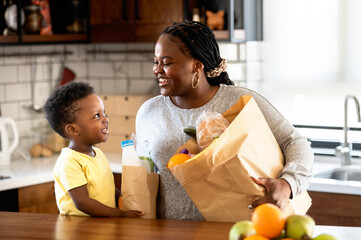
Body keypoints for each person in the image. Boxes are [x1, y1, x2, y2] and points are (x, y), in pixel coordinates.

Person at [135, 21, 314, 220]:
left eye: (166, 63)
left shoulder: (240, 101)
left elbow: (295, 143)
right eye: (155, 62)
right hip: (168, 233)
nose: (157, 70)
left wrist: (288, 184)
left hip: (235, 230)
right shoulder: (148, 112)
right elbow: (144, 178)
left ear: (197, 65)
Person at [44, 81, 144, 217]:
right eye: (97, 116)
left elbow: (105, 187)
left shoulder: (98, 154)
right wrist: (121, 215)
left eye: (104, 113)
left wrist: (124, 197)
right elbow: (83, 202)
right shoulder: (70, 161)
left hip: (99, 227)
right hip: (79, 230)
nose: (106, 120)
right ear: (73, 129)